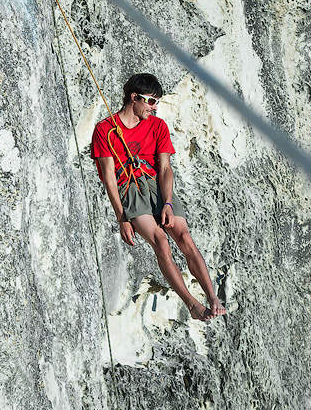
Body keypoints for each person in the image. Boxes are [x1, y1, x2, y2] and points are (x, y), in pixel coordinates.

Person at [91, 73, 226, 322]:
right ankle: (192, 304)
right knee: (160, 241)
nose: (154, 108)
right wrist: (122, 218)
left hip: (156, 186)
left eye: (157, 103)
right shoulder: (105, 130)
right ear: (135, 98)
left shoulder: (158, 126)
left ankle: (212, 297)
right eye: (151, 102)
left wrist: (167, 203)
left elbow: (165, 169)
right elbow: (109, 178)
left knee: (184, 237)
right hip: (129, 188)